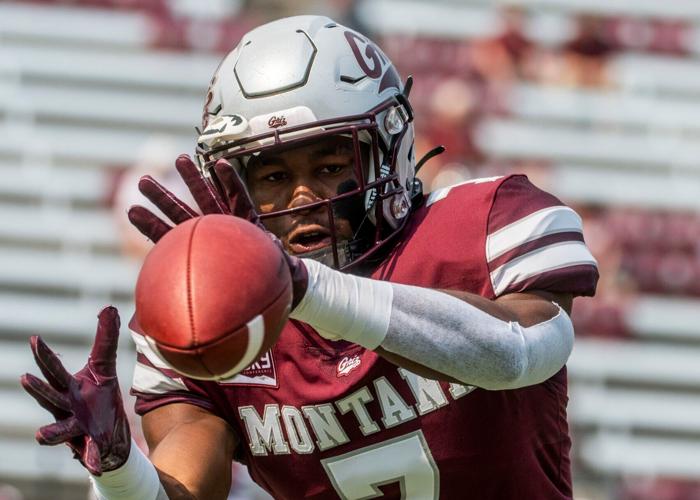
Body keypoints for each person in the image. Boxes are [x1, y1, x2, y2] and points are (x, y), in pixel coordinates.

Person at [21, 15, 598, 500]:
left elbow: (522, 352)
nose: (300, 197)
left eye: (327, 166)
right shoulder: (213, 311)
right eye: (271, 175)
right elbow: (186, 486)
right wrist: (120, 473)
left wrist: (306, 289)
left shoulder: (485, 220)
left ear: (388, 151)